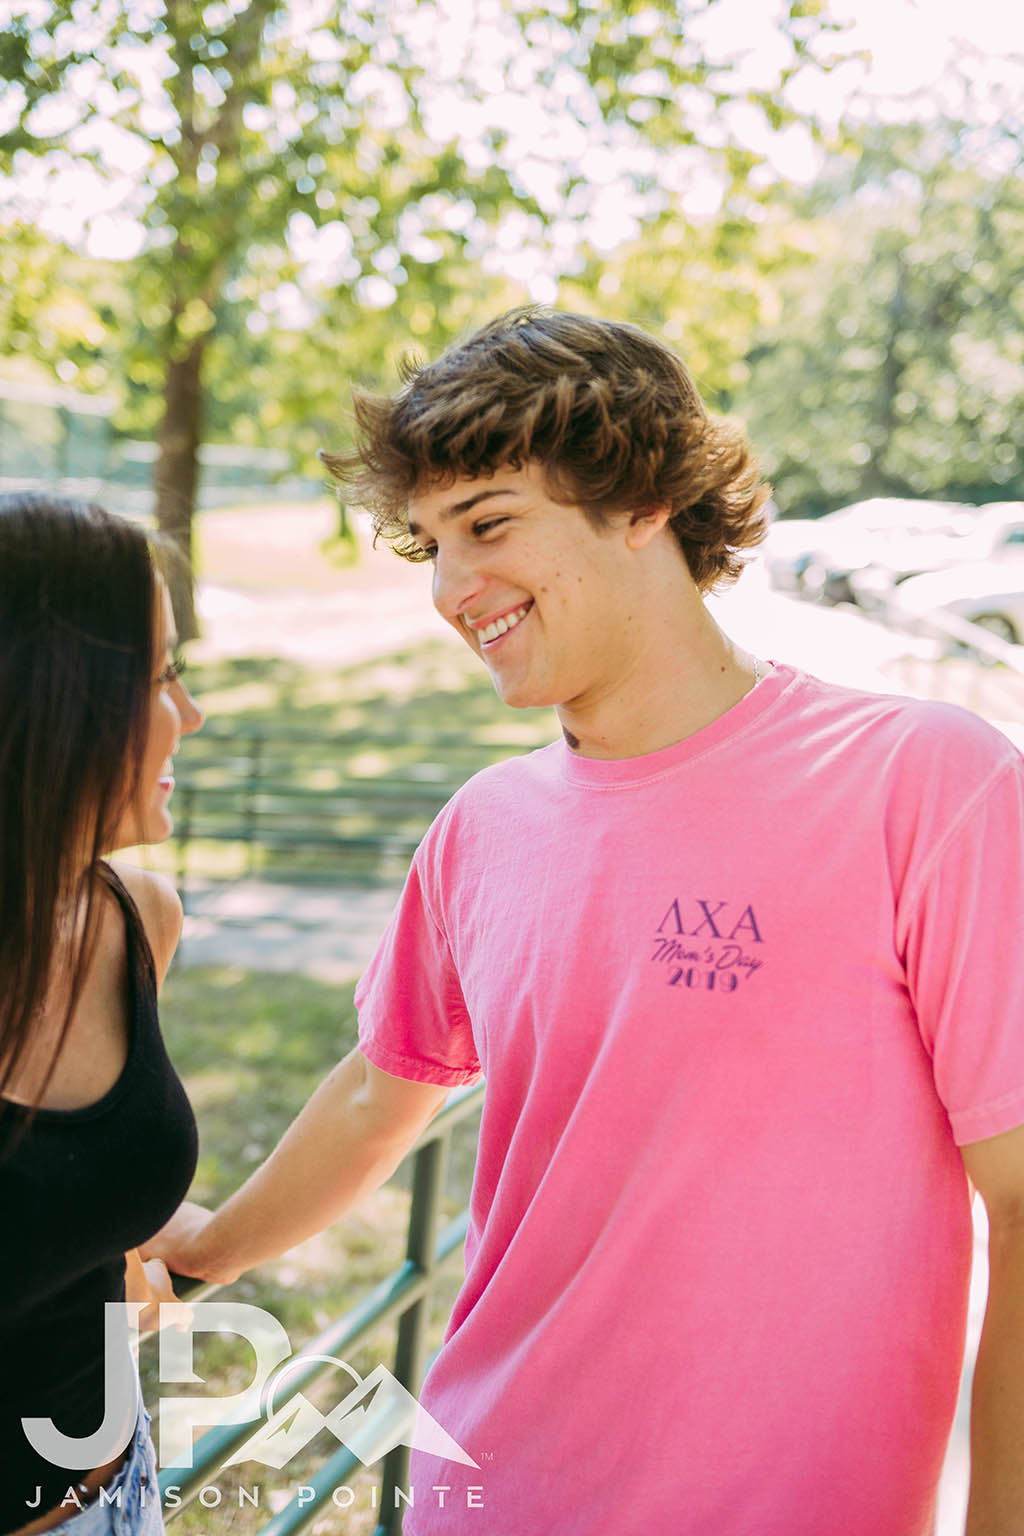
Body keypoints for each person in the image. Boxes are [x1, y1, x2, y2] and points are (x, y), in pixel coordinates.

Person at [147, 309, 1024, 1535]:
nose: (455, 591)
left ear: (643, 500)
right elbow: (375, 1094)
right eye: (434, 546)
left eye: (491, 526)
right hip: (484, 1498)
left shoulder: (925, 781)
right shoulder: (482, 827)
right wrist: (200, 1257)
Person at [0, 493, 203, 1536]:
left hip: (118, 1497)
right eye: (163, 676)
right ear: (55, 693)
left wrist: (145, 1243)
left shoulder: (138, 922)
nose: (193, 715)